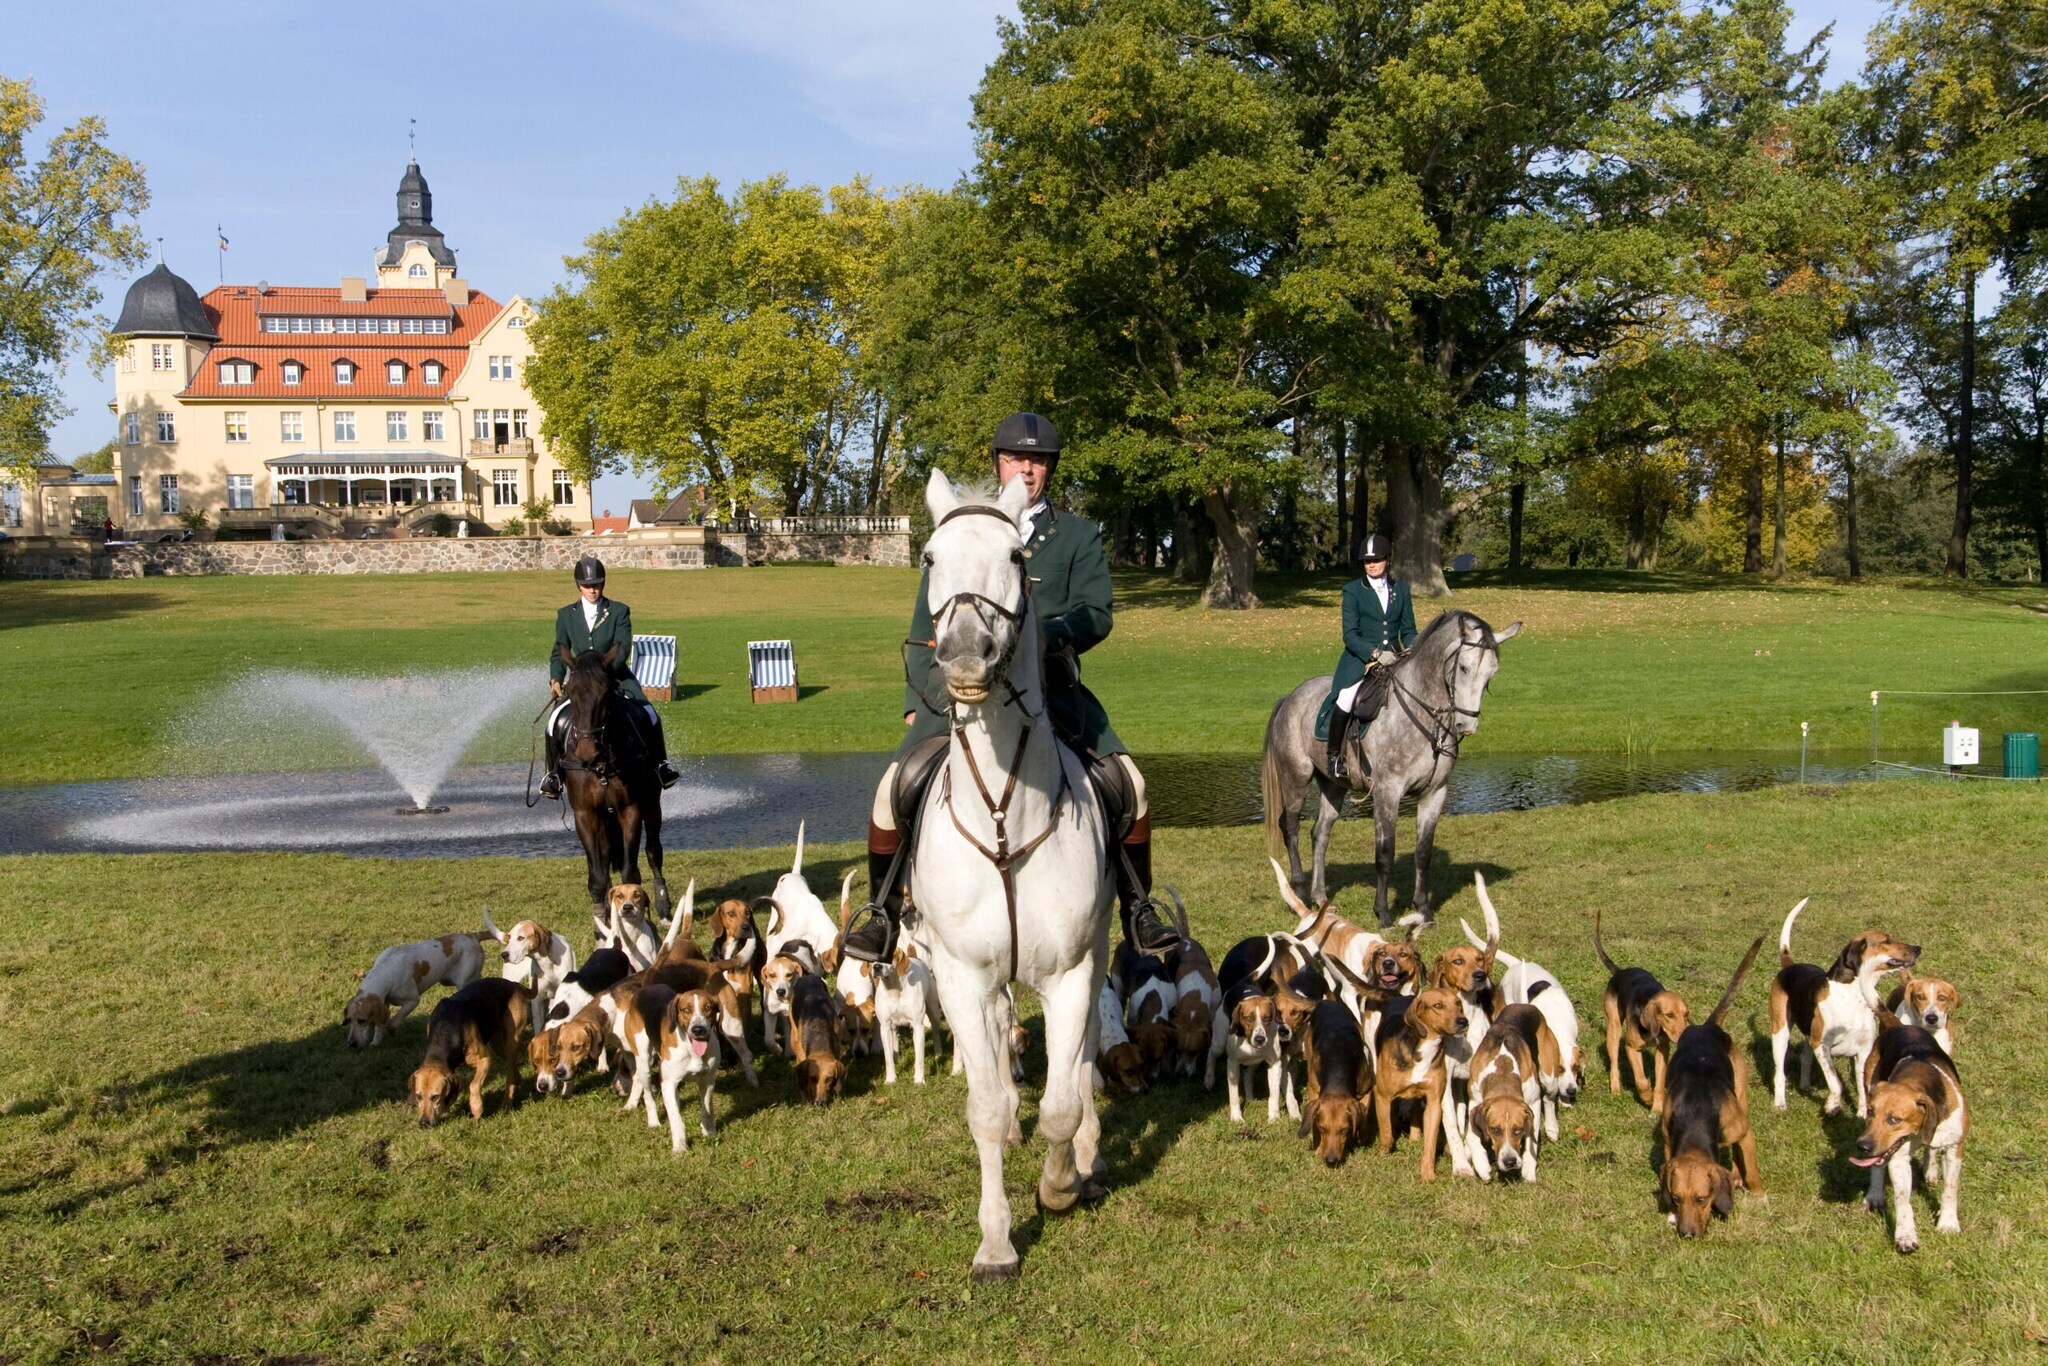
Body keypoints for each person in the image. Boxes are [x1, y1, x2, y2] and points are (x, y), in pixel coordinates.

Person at [839, 412, 1179, 964]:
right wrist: (915, 701)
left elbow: (1097, 612)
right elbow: (929, 622)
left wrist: (1049, 636)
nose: (1026, 467)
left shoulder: (1075, 536)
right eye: (1016, 458)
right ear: (998, 463)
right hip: (958, 689)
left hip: (1048, 686)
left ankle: (1136, 906)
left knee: (1131, 784)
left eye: (1038, 460)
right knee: (890, 790)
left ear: (1050, 468)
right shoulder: (961, 531)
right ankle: (882, 910)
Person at [538, 555, 680, 799]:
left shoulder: (618, 611)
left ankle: (661, 767)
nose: (592, 590)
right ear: (578, 585)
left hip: (615, 677)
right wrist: (556, 678)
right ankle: (552, 775)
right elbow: (558, 650)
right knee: (553, 722)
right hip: (581, 684)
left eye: (597, 584)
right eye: (587, 585)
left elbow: (622, 647)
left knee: (650, 714)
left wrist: (603, 675)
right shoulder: (566, 615)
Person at [1320, 532, 1418, 780]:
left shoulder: (1401, 590)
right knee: (1345, 698)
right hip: (1360, 661)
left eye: (1376, 560)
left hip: (1395, 659)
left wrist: (1415, 647)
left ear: (1387, 560)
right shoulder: (1353, 591)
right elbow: (1350, 635)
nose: (1372, 565)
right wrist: (1375, 653)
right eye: (1366, 561)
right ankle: (1334, 757)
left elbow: (1407, 630)